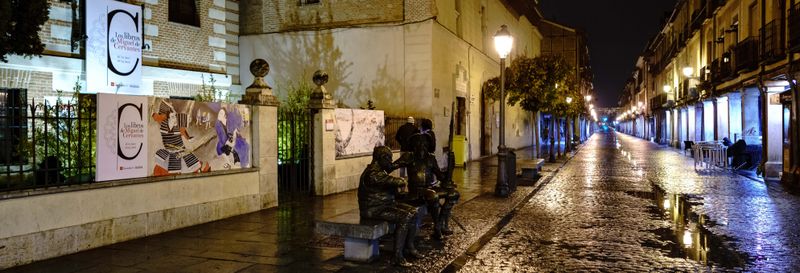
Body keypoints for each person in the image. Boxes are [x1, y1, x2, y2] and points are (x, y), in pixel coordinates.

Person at [358, 146, 423, 267]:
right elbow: (395, 181)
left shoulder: (380, 170)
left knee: (414, 211)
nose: (390, 162)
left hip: (384, 205)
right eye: (389, 159)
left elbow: (389, 175)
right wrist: (401, 181)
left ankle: (409, 246)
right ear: (382, 158)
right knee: (405, 216)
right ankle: (397, 256)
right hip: (373, 209)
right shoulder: (372, 173)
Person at [394, 133, 460, 240]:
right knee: (433, 195)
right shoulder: (409, 157)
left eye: (424, 143)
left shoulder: (431, 158)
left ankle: (439, 223)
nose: (422, 145)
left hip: (430, 189)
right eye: (419, 143)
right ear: (414, 145)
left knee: (454, 194)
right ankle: (438, 227)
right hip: (416, 191)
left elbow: (441, 177)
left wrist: (450, 167)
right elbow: (392, 166)